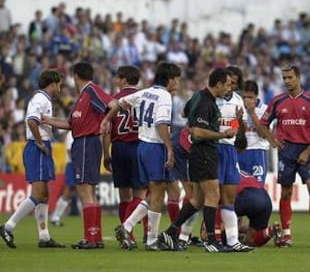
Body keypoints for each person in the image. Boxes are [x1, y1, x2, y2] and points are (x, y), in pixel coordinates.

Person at [100, 62, 181, 251]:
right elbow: (162, 124)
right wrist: (170, 148)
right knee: (157, 192)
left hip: (142, 146)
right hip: (156, 146)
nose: (178, 82)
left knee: (155, 192)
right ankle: (148, 238)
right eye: (177, 79)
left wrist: (106, 120)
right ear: (169, 80)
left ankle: (129, 226)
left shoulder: (145, 92)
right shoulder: (165, 97)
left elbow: (120, 104)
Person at [156, 67, 237, 253]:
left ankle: (169, 233)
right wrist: (222, 133)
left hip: (198, 153)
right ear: (217, 84)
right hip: (204, 153)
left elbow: (185, 114)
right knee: (213, 196)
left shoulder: (198, 97)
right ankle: (211, 241)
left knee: (198, 199)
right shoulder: (205, 103)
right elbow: (198, 132)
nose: (228, 88)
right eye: (226, 85)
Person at [247, 64, 310, 248]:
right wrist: (272, 140)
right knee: (286, 192)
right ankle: (286, 235)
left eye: (290, 77)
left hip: (306, 149)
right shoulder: (277, 101)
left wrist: (307, 152)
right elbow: (263, 124)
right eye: (284, 78)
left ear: (298, 77)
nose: (287, 81)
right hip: (286, 151)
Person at [42, 61, 116, 249]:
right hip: (84, 143)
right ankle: (95, 237)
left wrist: (106, 120)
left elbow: (114, 105)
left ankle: (90, 238)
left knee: (84, 190)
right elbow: (70, 124)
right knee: (89, 191)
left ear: (75, 76)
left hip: (86, 143)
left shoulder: (91, 91)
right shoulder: (83, 96)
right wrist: (47, 120)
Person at [0, 69, 65, 249]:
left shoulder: (45, 99)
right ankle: (7, 227)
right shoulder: (40, 99)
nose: (60, 88)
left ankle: (44, 237)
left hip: (42, 146)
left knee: (44, 194)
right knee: (38, 194)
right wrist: (40, 143)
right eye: (58, 84)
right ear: (52, 84)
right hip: (37, 147)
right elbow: (31, 121)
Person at [102, 65, 145, 249]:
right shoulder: (144, 98)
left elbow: (105, 130)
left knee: (124, 195)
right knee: (141, 194)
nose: (116, 81)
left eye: (118, 78)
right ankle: (128, 231)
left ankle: (130, 237)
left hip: (119, 148)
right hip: (138, 147)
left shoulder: (113, 101)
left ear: (124, 80)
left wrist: (106, 154)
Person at [215, 66, 254, 252]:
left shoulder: (238, 101)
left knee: (228, 196)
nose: (231, 85)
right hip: (212, 149)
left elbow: (236, 128)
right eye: (229, 81)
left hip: (229, 150)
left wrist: (239, 123)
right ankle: (208, 236)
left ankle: (232, 240)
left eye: (234, 83)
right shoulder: (212, 99)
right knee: (208, 196)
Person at [201, 170, 281, 247]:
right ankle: (270, 231)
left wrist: (212, 231)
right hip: (265, 199)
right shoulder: (236, 170)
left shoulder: (220, 171)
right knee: (251, 240)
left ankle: (217, 240)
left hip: (246, 195)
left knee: (221, 206)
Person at [238, 80, 270, 184]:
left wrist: (252, 113)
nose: (247, 101)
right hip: (240, 151)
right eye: (244, 97)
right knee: (237, 189)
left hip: (257, 152)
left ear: (256, 96)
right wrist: (238, 119)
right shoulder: (237, 108)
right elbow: (235, 132)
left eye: (250, 97)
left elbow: (264, 134)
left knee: (257, 188)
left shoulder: (266, 110)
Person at [50, 130, 81, 227]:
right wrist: (78, 163)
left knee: (77, 191)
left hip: (78, 164)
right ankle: (55, 216)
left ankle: (56, 216)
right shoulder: (71, 133)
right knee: (71, 190)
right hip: (73, 164)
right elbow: (69, 150)